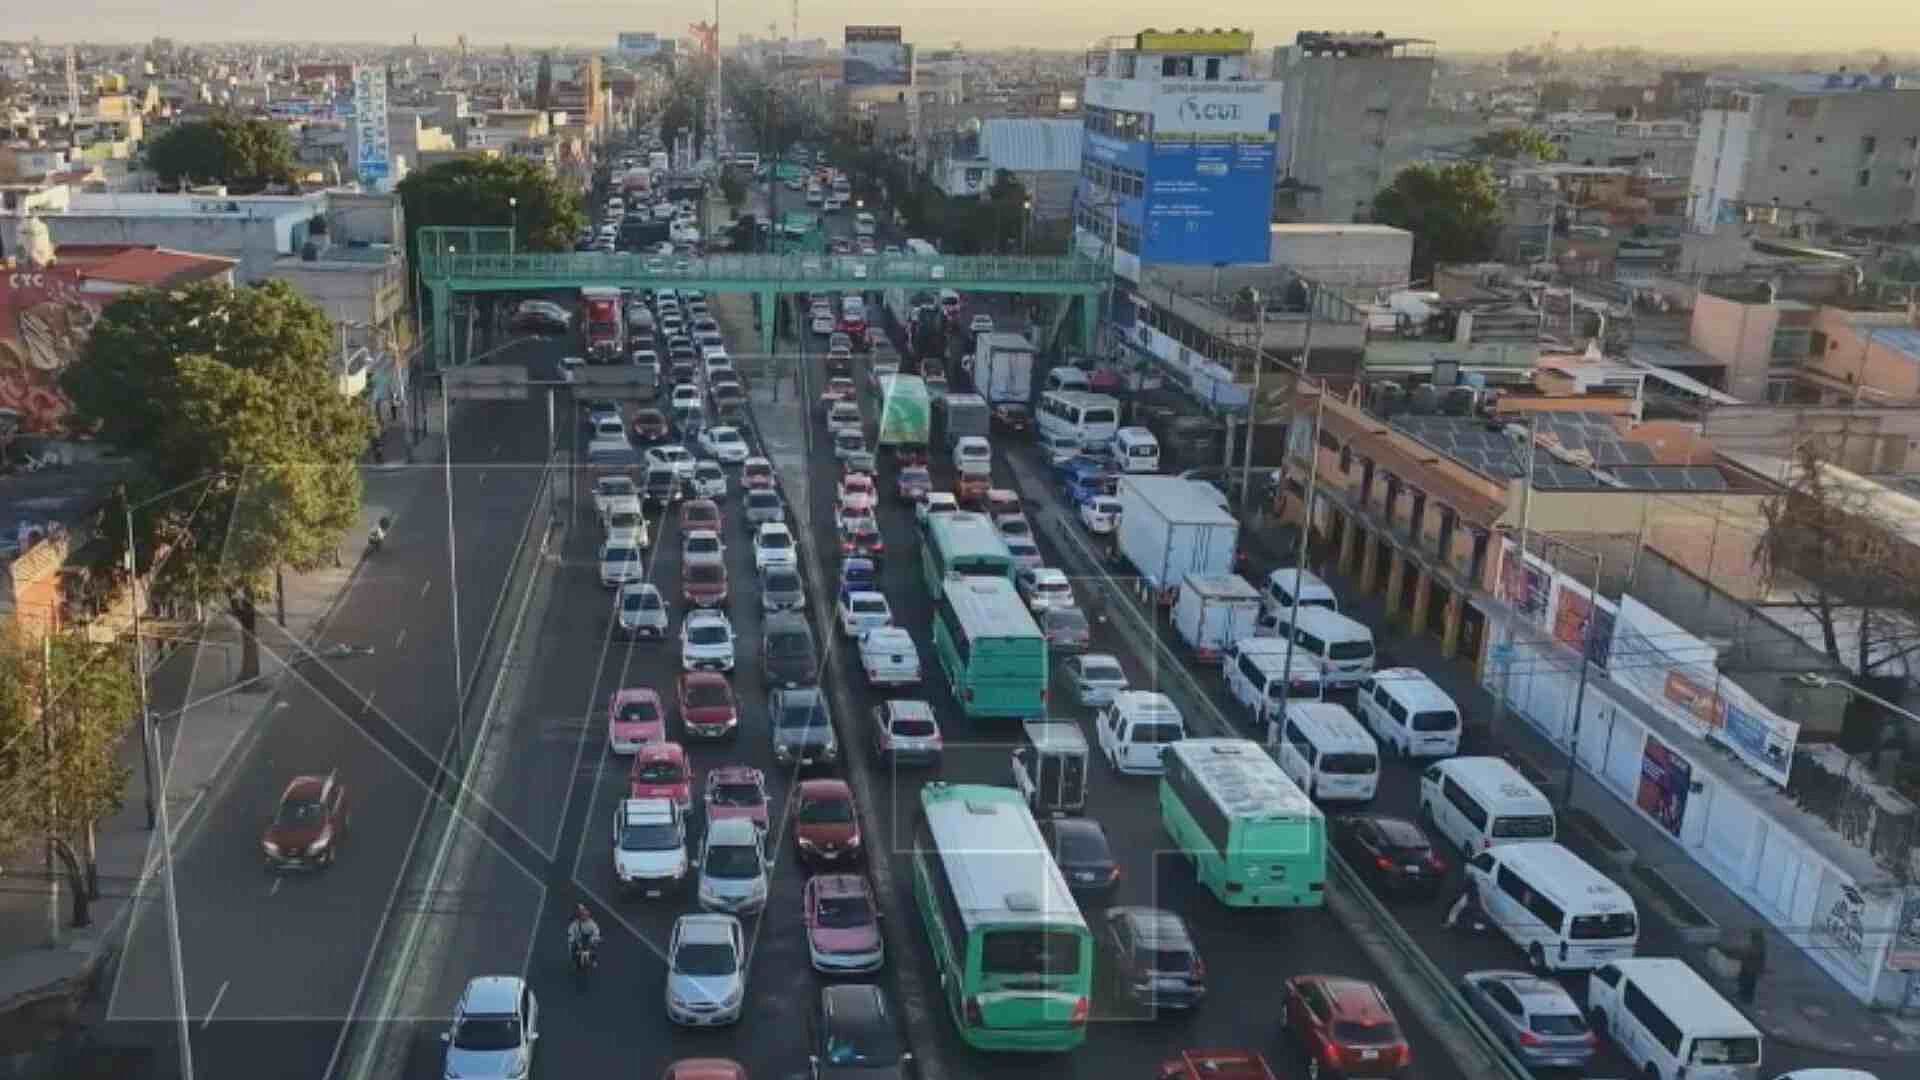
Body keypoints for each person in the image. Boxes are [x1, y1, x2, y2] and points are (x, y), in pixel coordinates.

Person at [1737, 927, 1766, 1003]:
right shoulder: (1757, 944)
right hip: (1748, 968)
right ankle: (1743, 996)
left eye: (1751, 935)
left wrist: (1743, 952)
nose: (1750, 937)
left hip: (1751, 970)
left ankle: (1746, 999)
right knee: (1744, 982)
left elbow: (1751, 953)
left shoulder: (1758, 945)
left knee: (1748, 985)